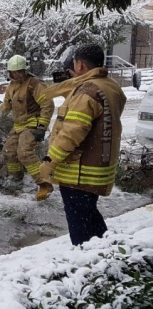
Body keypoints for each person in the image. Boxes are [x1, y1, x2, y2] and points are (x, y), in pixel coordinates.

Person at [40, 44, 126, 246]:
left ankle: (87, 261)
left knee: (80, 225)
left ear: (79, 64)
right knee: (90, 215)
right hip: (98, 166)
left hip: (79, 170)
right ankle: (106, 253)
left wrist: (50, 160)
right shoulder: (109, 86)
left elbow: (72, 132)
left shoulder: (86, 92)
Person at [0, 55, 55, 200]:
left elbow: (47, 105)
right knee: (9, 151)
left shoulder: (35, 84)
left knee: (24, 152)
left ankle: (45, 184)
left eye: (19, 71)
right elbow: (6, 105)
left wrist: (41, 127)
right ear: (9, 73)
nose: (17, 75)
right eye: (13, 72)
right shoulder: (11, 86)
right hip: (19, 124)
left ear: (25, 70)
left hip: (33, 123)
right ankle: (16, 179)